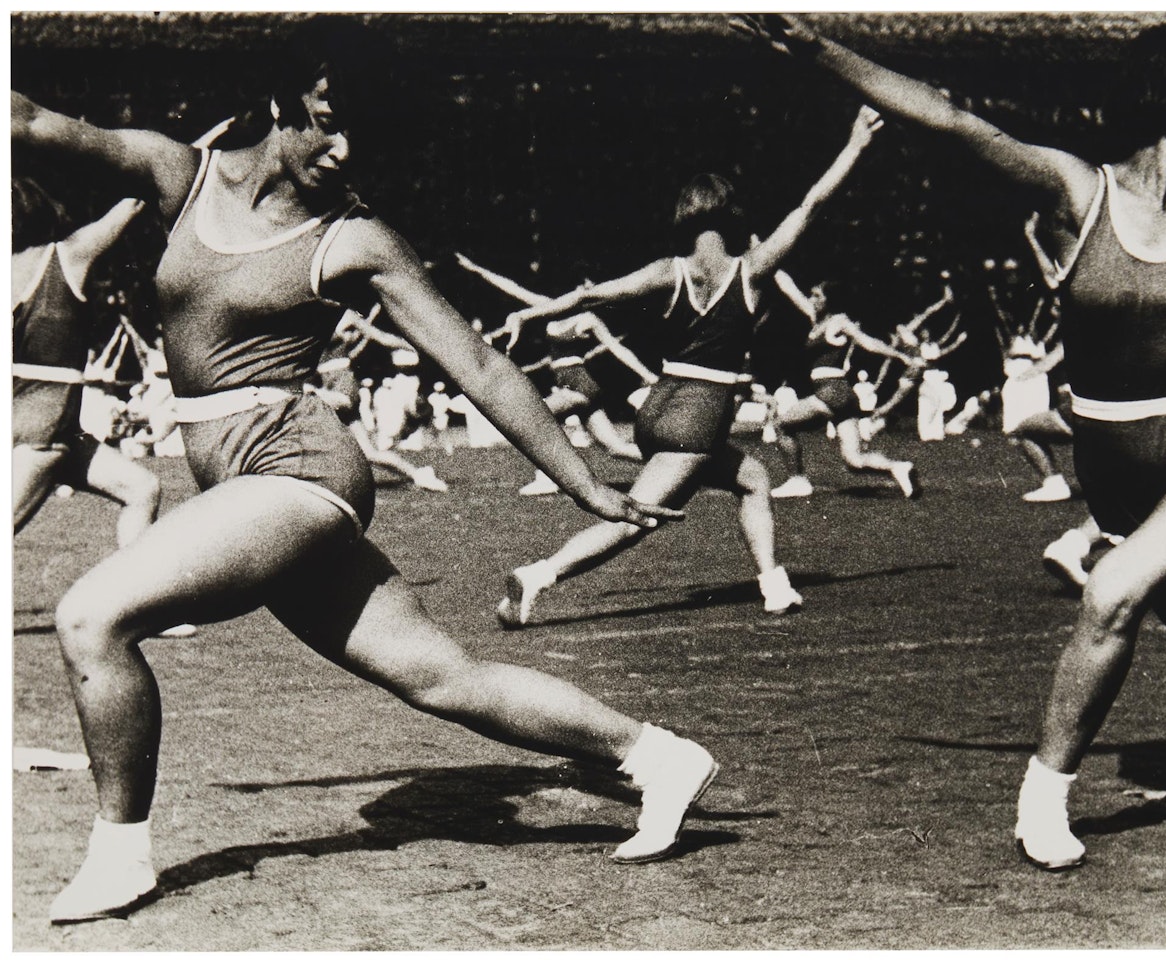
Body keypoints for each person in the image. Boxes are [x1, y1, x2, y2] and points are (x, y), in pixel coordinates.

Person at [13, 18, 717, 924]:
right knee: (440, 677)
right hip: (238, 480)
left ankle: (121, 855)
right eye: (329, 123)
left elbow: (482, 366)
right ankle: (658, 755)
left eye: (370, 137)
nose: (347, 152)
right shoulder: (176, 176)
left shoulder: (355, 240)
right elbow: (31, 124)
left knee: (92, 615)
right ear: (285, 102)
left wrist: (582, 481)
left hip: (299, 472)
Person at [736, 14, 1166, 871]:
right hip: (1123, 482)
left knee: (1112, 590)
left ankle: (1042, 799)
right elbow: (952, 121)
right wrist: (817, 48)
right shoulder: (1078, 194)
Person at [493, 104, 884, 628]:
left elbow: (591, 295)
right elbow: (811, 206)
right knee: (635, 518)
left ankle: (773, 585)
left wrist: (528, 311)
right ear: (732, 214)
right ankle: (540, 575)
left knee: (753, 479)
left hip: (659, 407)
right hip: (699, 416)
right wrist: (856, 146)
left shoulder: (666, 271)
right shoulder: (752, 269)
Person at [12, 179, 197, 644]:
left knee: (142, 487)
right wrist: (201, 152)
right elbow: (133, 203)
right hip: (41, 433)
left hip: (54, 430)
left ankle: (143, 609)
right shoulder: (66, 256)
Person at [456, 252, 658, 495]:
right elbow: (513, 289)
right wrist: (476, 269)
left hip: (580, 385)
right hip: (570, 385)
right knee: (616, 448)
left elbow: (619, 350)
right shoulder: (550, 308)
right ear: (575, 286)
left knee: (536, 414)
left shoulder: (589, 319)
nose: (591, 290)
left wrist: (649, 375)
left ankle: (547, 478)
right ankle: (684, 463)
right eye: (587, 285)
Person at [766, 271, 925, 499]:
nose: (810, 299)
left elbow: (869, 343)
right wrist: (766, 252)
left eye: (816, 295)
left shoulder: (839, 321)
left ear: (828, 300)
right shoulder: (815, 318)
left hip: (830, 391)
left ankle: (797, 480)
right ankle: (898, 468)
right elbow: (789, 289)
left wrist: (900, 356)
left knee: (781, 425)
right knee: (854, 461)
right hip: (842, 395)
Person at [310, 306, 450, 491]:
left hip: (341, 384)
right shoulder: (309, 317)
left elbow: (382, 338)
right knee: (370, 453)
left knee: (305, 400)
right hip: (327, 383)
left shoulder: (345, 316)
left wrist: (416, 347)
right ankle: (419, 474)